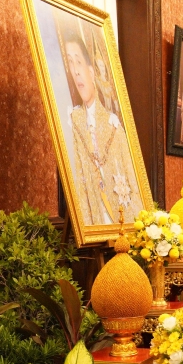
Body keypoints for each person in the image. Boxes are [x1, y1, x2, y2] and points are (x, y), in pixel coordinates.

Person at [65, 31, 141, 226]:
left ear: (91, 71)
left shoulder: (113, 125)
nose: (76, 71)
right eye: (70, 63)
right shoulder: (71, 121)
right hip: (91, 220)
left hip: (121, 220)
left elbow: (132, 181)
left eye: (78, 62)